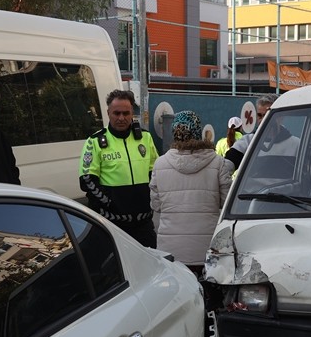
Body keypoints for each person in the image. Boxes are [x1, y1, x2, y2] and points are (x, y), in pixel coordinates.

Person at [150, 110, 234, 274]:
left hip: (171, 251)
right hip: (209, 250)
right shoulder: (218, 163)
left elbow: (156, 205)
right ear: (198, 131)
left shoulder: (160, 164)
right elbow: (227, 204)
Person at [79, 89, 159, 246]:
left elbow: (156, 173)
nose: (121, 118)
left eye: (126, 113)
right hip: (111, 224)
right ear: (108, 113)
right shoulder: (94, 141)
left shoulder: (145, 138)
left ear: (132, 114)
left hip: (143, 224)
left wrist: (150, 199)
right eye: (116, 113)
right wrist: (109, 202)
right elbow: (87, 180)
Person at [225, 96, 273, 170]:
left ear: (281, 117)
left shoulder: (295, 145)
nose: (263, 120)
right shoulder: (247, 142)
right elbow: (224, 168)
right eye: (260, 115)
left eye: (267, 115)